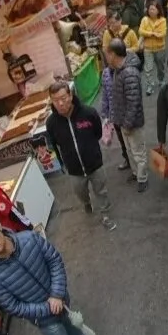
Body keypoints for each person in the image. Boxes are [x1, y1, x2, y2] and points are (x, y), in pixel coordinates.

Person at [45, 82, 114, 229]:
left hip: (95, 164)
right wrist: (63, 163)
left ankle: (106, 213)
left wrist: (90, 150)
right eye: (56, 100)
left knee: (101, 190)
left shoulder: (88, 113)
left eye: (63, 97)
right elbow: (54, 144)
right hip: (74, 169)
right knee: (80, 193)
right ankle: (87, 202)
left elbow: (98, 133)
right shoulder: (51, 123)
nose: (60, 103)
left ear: (70, 95)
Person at [99, 36, 149, 188]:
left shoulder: (129, 73)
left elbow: (133, 102)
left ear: (113, 54)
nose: (106, 58)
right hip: (122, 121)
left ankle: (143, 178)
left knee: (138, 151)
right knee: (130, 150)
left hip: (131, 123)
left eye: (107, 54)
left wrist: (126, 124)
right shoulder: (117, 71)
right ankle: (136, 173)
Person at [139, 0, 168, 90]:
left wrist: (149, 33)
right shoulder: (144, 19)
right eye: (149, 9)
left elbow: (162, 34)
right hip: (147, 48)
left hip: (160, 48)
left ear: (158, 10)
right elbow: (141, 31)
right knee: (148, 68)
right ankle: (150, 85)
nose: (151, 11)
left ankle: (161, 80)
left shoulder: (163, 20)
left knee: (160, 67)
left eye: (153, 9)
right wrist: (152, 33)